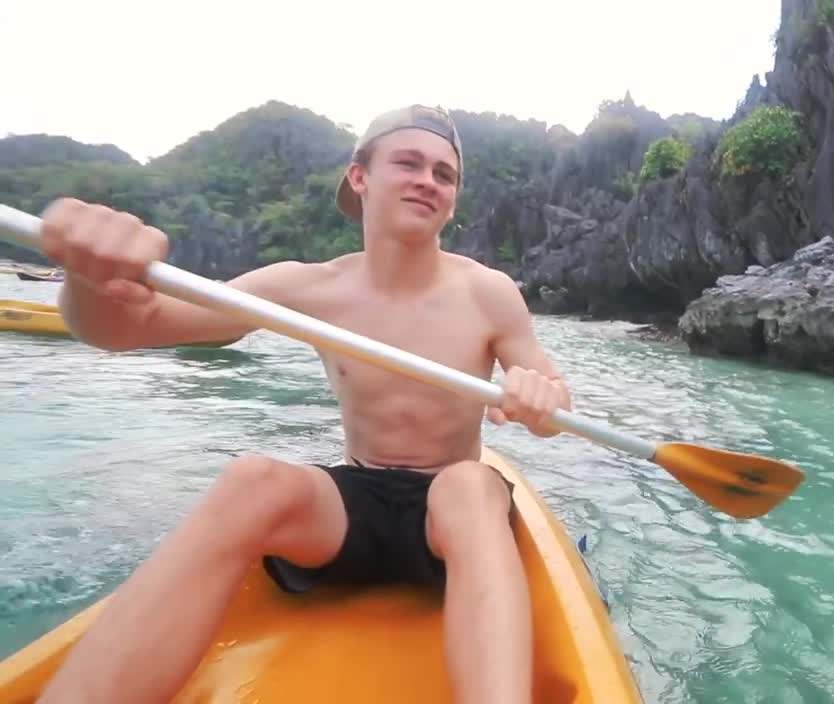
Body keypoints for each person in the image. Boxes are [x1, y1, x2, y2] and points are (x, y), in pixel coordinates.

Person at [33, 104, 566, 704]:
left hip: (452, 515)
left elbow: (549, 396)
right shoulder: (308, 287)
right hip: (354, 507)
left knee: (468, 485)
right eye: (409, 163)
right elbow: (130, 327)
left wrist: (540, 395)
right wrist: (89, 279)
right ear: (360, 177)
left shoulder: (488, 292)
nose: (428, 181)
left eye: (444, 174)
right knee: (252, 480)